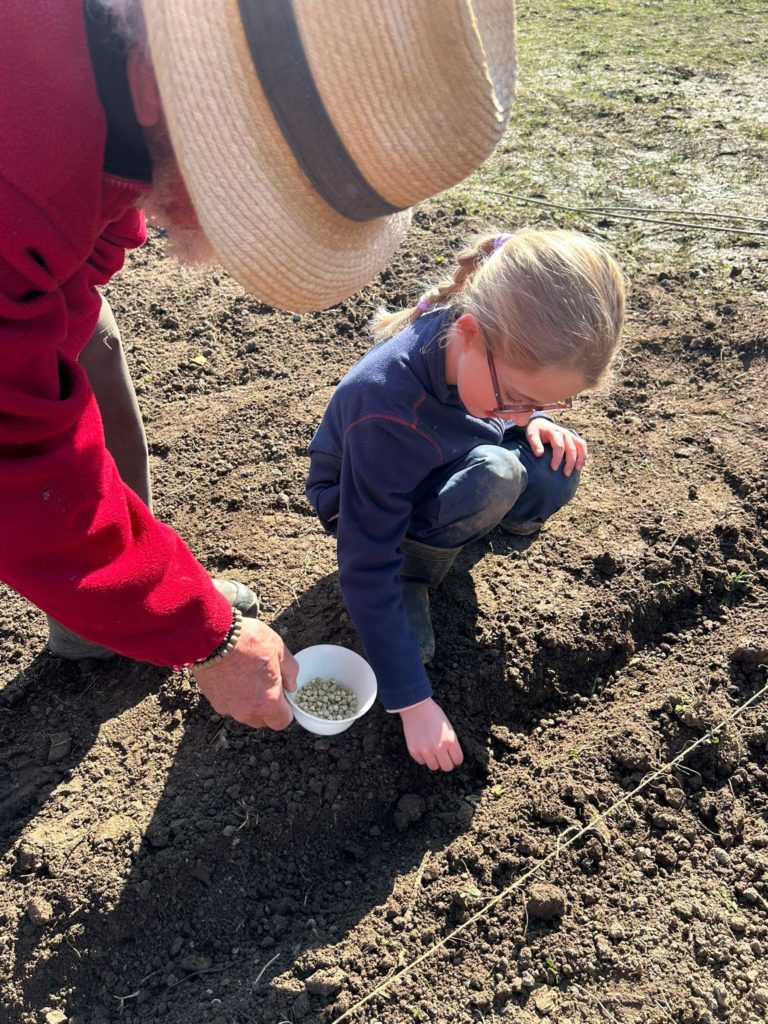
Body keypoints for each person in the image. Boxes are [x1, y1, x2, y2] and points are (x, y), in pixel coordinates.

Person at [0, 1, 516, 730]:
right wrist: (205, 635)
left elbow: (91, 239)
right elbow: (20, 463)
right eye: (241, 179)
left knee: (93, 359)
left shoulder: (106, 91)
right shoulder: (24, 175)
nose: (223, 217)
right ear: (159, 77)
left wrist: (160, 601)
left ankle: (110, 607)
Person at [306, 228, 626, 771]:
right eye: (520, 398)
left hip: (444, 453)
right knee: (498, 474)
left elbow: (508, 402)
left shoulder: (485, 362)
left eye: (548, 401)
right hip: (368, 501)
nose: (525, 410)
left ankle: (474, 524)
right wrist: (411, 700)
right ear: (471, 332)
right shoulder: (384, 408)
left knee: (552, 464)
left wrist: (535, 419)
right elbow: (363, 562)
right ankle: (414, 569)